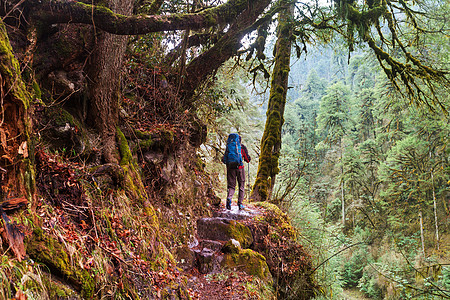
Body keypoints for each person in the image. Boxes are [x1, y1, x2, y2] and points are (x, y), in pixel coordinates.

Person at [222, 134, 251, 210]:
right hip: (240, 168)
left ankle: (229, 198)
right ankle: (240, 204)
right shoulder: (242, 147)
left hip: (230, 168)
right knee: (241, 185)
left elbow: (224, 159)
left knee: (231, 186)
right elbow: (247, 159)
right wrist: (248, 158)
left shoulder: (229, 147)